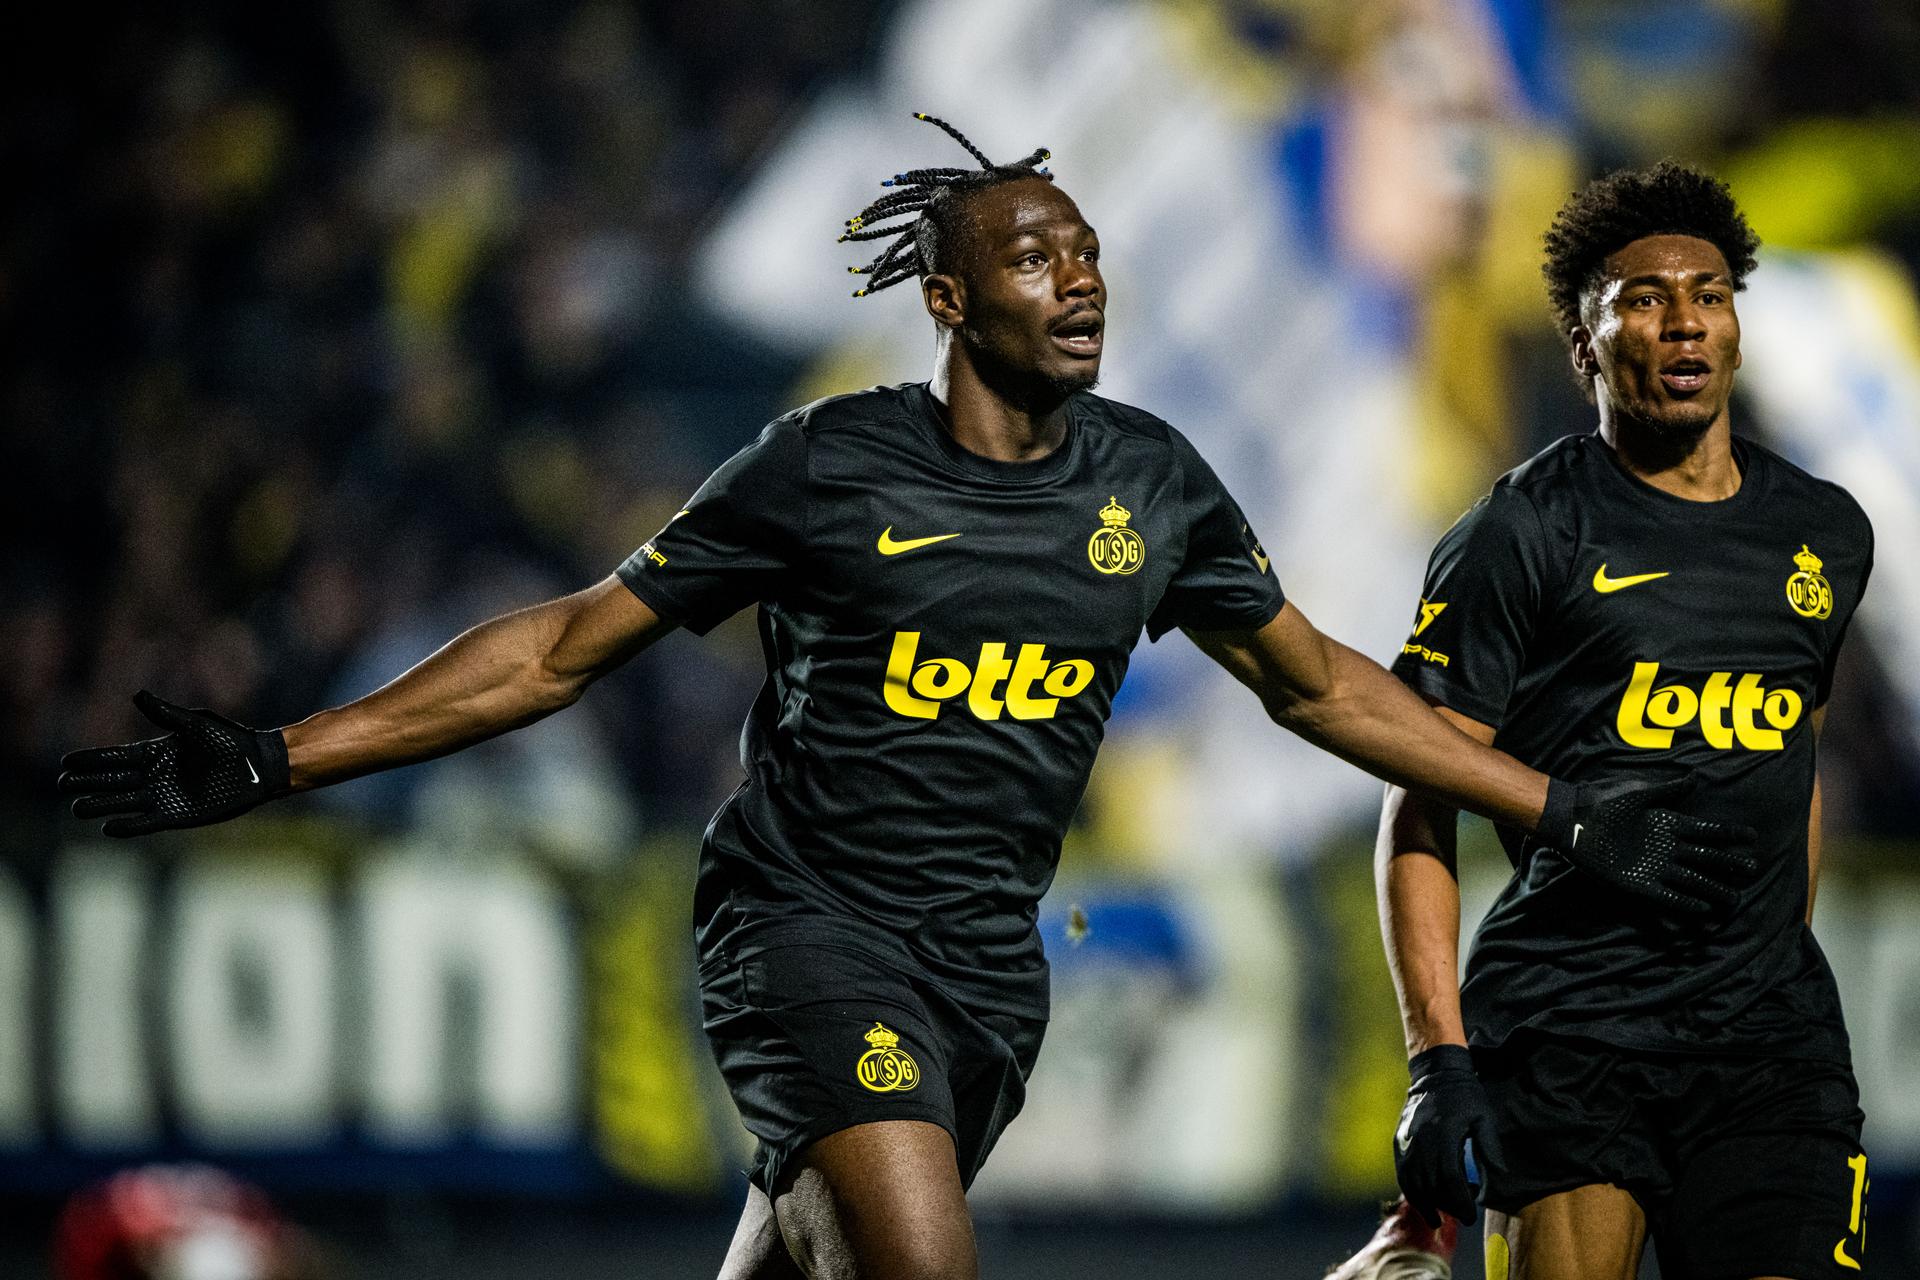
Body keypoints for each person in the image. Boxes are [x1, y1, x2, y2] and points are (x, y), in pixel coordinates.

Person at [60, 119, 1753, 1280]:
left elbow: (1319, 689)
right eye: (1036, 259)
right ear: (948, 298)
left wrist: (1559, 809)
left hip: (987, 979)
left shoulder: (1152, 485)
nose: (1080, 281)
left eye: (1089, 254)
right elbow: (566, 648)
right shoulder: (827, 466)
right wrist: (281, 754)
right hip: (807, 932)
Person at [1370, 161, 1875, 1280]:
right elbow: (1417, 800)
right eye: (1643, 299)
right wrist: (1436, 1060)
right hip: (1570, 1035)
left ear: (1736, 329)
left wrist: (1764, 952)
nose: (1683, 319)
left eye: (1709, 293)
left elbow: (1795, 762)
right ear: (1584, 346)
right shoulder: (1521, 533)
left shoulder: (1826, 532)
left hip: (1769, 1051)